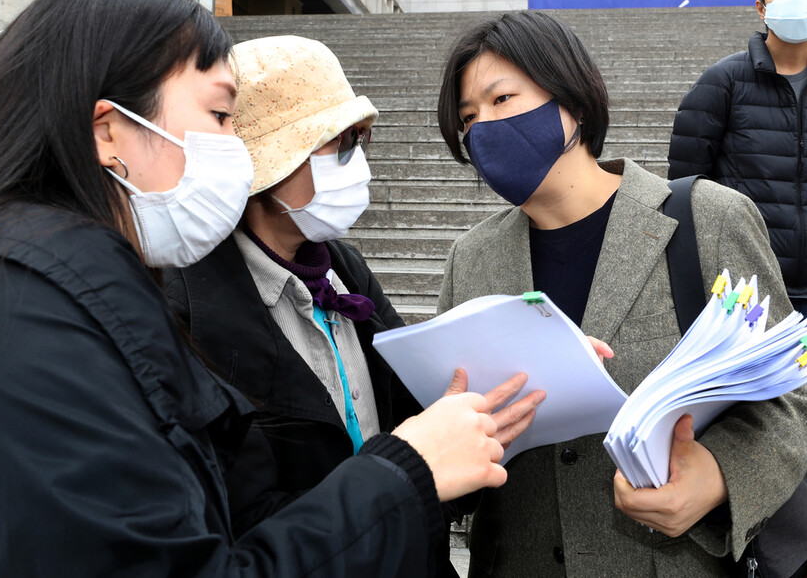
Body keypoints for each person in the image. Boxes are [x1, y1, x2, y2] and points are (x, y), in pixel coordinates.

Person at [0, 0, 530, 577]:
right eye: (223, 114)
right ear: (108, 132)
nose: (236, 144)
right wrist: (406, 470)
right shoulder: (35, 319)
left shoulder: (333, 271)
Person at [435, 11, 807, 577]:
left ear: (574, 100)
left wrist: (718, 478)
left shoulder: (709, 219)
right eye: (468, 118)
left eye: (502, 100)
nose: (484, 128)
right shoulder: (468, 259)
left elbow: (792, 396)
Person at [163, 35, 546, 575]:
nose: (358, 163)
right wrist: (404, 475)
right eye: (339, 144)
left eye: (361, 141)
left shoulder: (341, 268)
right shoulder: (190, 306)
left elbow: (413, 412)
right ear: (271, 160)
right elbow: (236, 520)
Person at [668, 0, 807, 361]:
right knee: (743, 406)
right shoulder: (723, 80)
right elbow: (685, 183)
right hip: (743, 278)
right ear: (761, 6)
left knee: (804, 394)